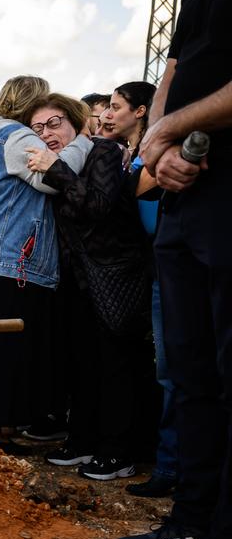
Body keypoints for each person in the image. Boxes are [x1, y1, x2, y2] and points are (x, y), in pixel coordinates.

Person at [109, 0, 232, 539]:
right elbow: (174, 69)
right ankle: (192, 522)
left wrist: (167, 130)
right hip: (185, 192)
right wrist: (158, 148)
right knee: (190, 371)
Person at [27, 93, 151, 481]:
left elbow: (98, 205)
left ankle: (118, 452)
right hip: (77, 277)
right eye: (38, 128)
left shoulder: (103, 152)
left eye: (54, 123)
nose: (47, 133)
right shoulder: (55, 162)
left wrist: (56, 170)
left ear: (75, 121)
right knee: (81, 362)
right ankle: (83, 441)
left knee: (115, 365)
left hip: (115, 273)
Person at [0, 76, 91, 449]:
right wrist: (83, 141)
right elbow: (52, 178)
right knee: (5, 349)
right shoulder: (18, 137)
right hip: (11, 256)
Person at [99, 81, 177, 497]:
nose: (108, 114)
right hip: (146, 270)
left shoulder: (149, 155)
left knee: (171, 371)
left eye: (116, 107)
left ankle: (170, 467)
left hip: (167, 268)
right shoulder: (128, 155)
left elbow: (127, 195)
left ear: (142, 111)